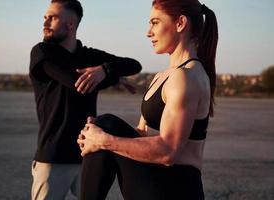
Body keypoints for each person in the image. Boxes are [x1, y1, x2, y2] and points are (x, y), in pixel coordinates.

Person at [78, 0, 218, 199]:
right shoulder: (164, 76)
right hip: (157, 179)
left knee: (106, 126)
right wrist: (94, 137)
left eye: (155, 22)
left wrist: (105, 141)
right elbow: (142, 134)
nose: (148, 32)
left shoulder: (186, 77)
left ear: (180, 23)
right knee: (101, 125)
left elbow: (169, 152)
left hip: (176, 188)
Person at [29, 0, 142, 199]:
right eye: (45, 17)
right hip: (54, 156)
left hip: (88, 149)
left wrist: (104, 70)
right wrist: (111, 78)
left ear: (70, 24)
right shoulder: (43, 53)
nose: (45, 22)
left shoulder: (89, 56)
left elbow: (134, 64)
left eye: (52, 18)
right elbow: (78, 83)